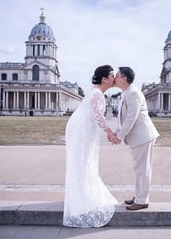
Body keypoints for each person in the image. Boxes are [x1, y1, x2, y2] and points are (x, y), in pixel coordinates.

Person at [63, 64, 118, 228]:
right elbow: (99, 118)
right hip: (82, 131)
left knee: (83, 162)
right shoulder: (97, 94)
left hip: (80, 129)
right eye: (112, 75)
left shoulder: (95, 92)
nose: (114, 78)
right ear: (104, 79)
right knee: (84, 161)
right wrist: (110, 133)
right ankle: (82, 196)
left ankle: (80, 193)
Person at [109, 66, 159, 211]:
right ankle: (139, 197)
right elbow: (124, 119)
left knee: (142, 170)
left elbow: (131, 118)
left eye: (116, 76)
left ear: (124, 79)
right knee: (139, 169)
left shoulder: (133, 93)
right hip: (139, 137)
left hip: (143, 136)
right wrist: (117, 133)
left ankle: (142, 200)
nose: (114, 78)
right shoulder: (127, 92)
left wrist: (119, 136)